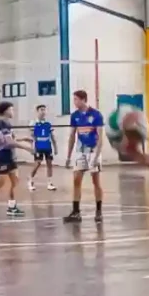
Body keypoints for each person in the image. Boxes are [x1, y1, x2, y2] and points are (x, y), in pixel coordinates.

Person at [0, 102, 32, 219]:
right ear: (5, 111)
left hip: (9, 154)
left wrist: (23, 138)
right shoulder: (0, 123)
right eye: (11, 109)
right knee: (0, 181)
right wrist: (27, 148)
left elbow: (10, 138)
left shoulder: (7, 123)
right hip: (2, 154)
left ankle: (12, 207)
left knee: (15, 180)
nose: (13, 112)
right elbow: (7, 142)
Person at [64, 90, 105, 224]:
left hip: (93, 150)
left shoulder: (96, 115)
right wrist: (68, 156)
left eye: (76, 99)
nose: (74, 102)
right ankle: (76, 212)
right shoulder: (74, 116)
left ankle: (98, 211)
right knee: (76, 179)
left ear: (83, 100)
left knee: (95, 181)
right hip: (80, 151)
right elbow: (72, 137)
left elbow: (100, 137)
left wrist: (96, 156)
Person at [29, 105, 57, 191]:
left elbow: (52, 136)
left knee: (49, 164)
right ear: (37, 111)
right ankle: (30, 180)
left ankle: (49, 183)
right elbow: (32, 137)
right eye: (41, 110)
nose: (43, 111)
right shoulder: (33, 123)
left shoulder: (48, 123)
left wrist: (55, 147)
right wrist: (32, 147)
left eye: (44, 110)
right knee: (37, 164)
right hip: (38, 146)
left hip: (47, 146)